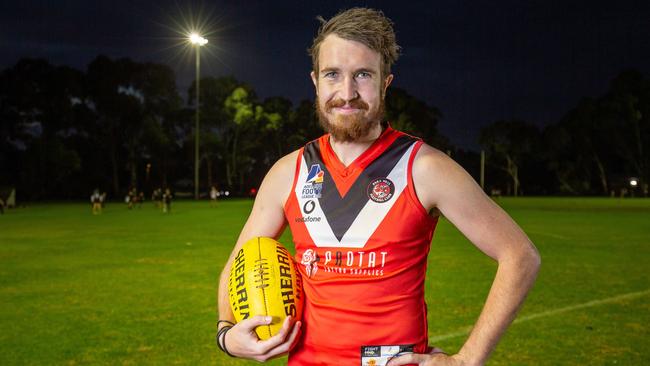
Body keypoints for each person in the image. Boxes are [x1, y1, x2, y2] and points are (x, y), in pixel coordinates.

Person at [216, 8, 540, 366]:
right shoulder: (288, 172)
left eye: (363, 75)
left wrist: (466, 359)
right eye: (333, 75)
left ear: (385, 82)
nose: (347, 92)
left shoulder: (424, 168)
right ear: (315, 81)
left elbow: (520, 256)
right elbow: (239, 262)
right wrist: (226, 333)